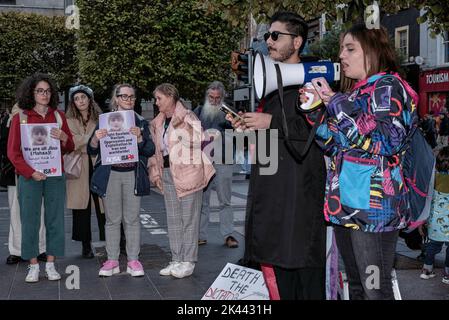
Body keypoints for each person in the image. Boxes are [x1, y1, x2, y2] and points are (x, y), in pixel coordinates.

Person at [299, 24, 419, 299]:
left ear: (372, 52)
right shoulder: (356, 93)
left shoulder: (389, 87)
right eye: (342, 48)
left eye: (350, 48)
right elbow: (335, 145)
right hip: (347, 206)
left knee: (375, 288)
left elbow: (387, 141)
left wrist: (336, 102)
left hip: (374, 210)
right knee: (355, 285)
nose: (341, 55)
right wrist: (314, 112)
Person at [229, 11, 327, 299]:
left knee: (302, 271)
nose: (268, 41)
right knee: (279, 271)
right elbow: (275, 139)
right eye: (267, 36)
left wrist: (268, 122)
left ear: (296, 41)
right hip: (273, 194)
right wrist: (249, 129)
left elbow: (314, 129)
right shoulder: (271, 85)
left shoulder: (315, 81)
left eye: (275, 36)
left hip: (299, 195)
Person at [7, 73, 75, 282]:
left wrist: (64, 138)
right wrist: (30, 172)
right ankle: (33, 265)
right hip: (30, 177)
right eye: (40, 91)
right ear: (31, 93)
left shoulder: (58, 116)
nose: (44, 94)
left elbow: (69, 146)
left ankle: (52, 264)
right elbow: (13, 152)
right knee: (29, 220)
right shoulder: (21, 118)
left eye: (47, 91)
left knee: (55, 219)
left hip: (55, 176)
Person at [88, 83, 155, 277]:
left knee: (132, 219)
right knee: (112, 219)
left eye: (132, 97)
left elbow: (150, 150)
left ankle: (133, 260)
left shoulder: (140, 122)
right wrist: (95, 140)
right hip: (111, 175)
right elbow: (91, 150)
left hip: (132, 174)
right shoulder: (104, 121)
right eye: (124, 96)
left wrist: (140, 138)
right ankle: (112, 260)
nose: (128, 100)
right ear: (116, 98)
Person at [149, 83, 215, 278]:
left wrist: (180, 126)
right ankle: (176, 259)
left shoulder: (188, 116)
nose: (156, 102)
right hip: (168, 173)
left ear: (170, 97)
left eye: (159, 98)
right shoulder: (159, 121)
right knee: (173, 220)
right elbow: (158, 150)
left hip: (188, 173)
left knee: (189, 220)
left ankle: (188, 261)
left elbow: (200, 139)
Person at [194, 81, 238, 248]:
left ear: (222, 97)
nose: (213, 100)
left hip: (223, 160)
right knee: (202, 201)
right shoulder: (198, 111)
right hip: (203, 161)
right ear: (207, 96)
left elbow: (240, 132)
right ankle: (200, 235)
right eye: (211, 97)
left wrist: (233, 122)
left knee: (225, 200)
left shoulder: (229, 112)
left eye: (217, 98)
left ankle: (228, 235)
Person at [1, 105, 47, 265]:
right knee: (15, 211)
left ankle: (40, 248)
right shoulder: (12, 119)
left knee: (39, 210)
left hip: (37, 170)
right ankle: (17, 250)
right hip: (14, 172)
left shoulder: (41, 117)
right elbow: (5, 147)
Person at [66, 84, 106, 258]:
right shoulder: (68, 121)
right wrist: (92, 140)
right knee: (81, 209)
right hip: (78, 169)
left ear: (89, 99)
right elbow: (71, 142)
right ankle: (85, 245)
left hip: (98, 165)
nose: (80, 101)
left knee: (104, 208)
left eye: (83, 97)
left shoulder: (101, 118)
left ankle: (111, 241)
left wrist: (83, 142)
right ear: (73, 102)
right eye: (76, 98)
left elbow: (105, 140)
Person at [420, 146, 449, 284]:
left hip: (435, 223)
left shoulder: (434, 178)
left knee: (433, 246)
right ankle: (447, 275)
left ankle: (427, 270)